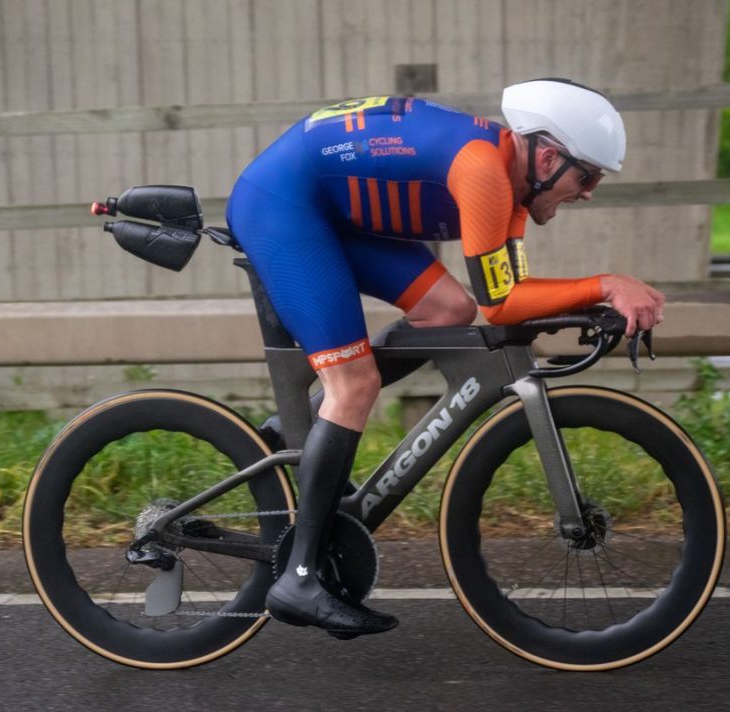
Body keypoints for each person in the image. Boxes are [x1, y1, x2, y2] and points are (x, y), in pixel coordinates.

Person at [225, 78, 665, 638]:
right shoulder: (484, 171)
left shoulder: (512, 186)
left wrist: (595, 296)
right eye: (587, 176)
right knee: (353, 384)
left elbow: (503, 297)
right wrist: (606, 284)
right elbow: (504, 304)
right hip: (282, 204)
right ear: (550, 157)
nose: (589, 192)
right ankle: (300, 578)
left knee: (447, 309)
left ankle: (306, 421)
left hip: (322, 204)